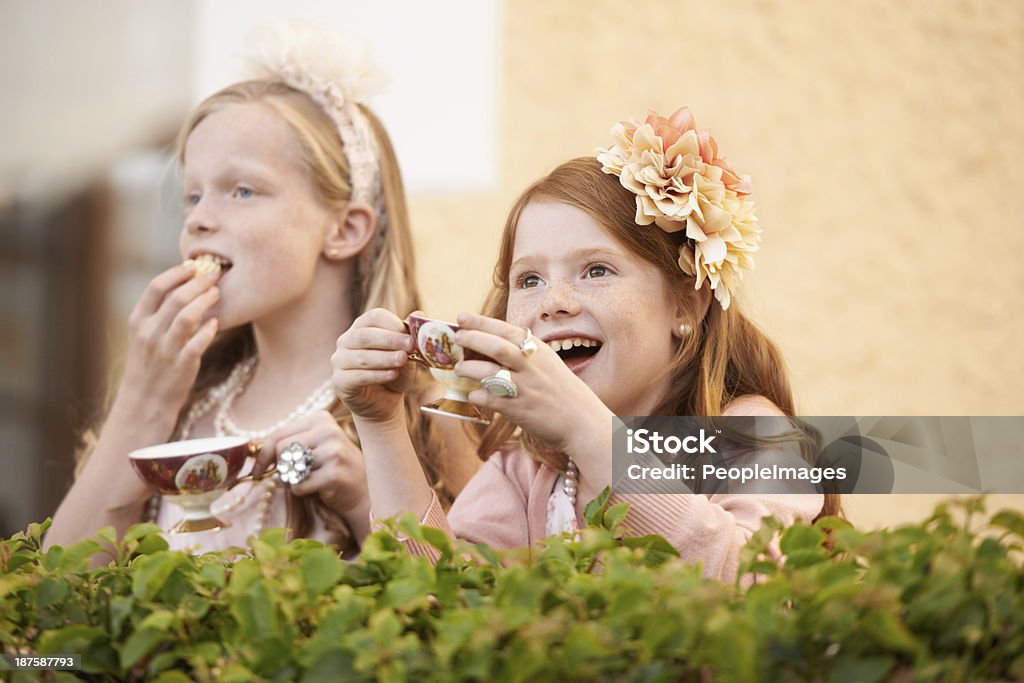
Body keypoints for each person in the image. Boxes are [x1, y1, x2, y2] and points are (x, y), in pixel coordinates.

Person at [332, 106, 839, 580]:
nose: (553, 301)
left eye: (596, 270)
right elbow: (438, 603)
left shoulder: (752, 438)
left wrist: (587, 429)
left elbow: (745, 581)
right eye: (528, 280)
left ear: (687, 305)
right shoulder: (527, 471)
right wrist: (381, 426)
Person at [46, 24, 477, 556]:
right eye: (193, 196)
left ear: (344, 229)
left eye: (242, 190)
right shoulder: (184, 405)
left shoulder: (428, 413)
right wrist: (142, 397)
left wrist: (364, 495)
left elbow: (464, 611)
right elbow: (55, 608)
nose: (199, 221)